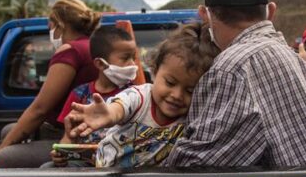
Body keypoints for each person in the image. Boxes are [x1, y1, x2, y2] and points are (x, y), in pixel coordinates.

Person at [163, 0, 306, 167]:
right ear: (270, 11)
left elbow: (194, 167)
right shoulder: (295, 60)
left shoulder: (231, 69)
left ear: (205, 15)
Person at [66, 22, 220, 168]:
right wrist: (109, 114)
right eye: (170, 83)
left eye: (190, 91)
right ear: (154, 71)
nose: (177, 95)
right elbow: (120, 108)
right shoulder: (140, 97)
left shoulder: (194, 115)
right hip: (106, 174)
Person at [0, 0, 101, 168]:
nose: (49, 28)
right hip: (83, 130)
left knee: (4, 157)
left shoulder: (70, 51)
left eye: (50, 22)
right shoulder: (92, 46)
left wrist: (1, 148)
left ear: (59, 23)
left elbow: (40, 109)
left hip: (68, 135)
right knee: (8, 131)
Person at [49, 26, 138, 167]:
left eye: (134, 57)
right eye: (125, 58)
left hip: (119, 165)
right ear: (100, 64)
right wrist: (61, 153)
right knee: (47, 169)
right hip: (83, 164)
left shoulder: (134, 95)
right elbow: (68, 136)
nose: (133, 64)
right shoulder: (79, 94)